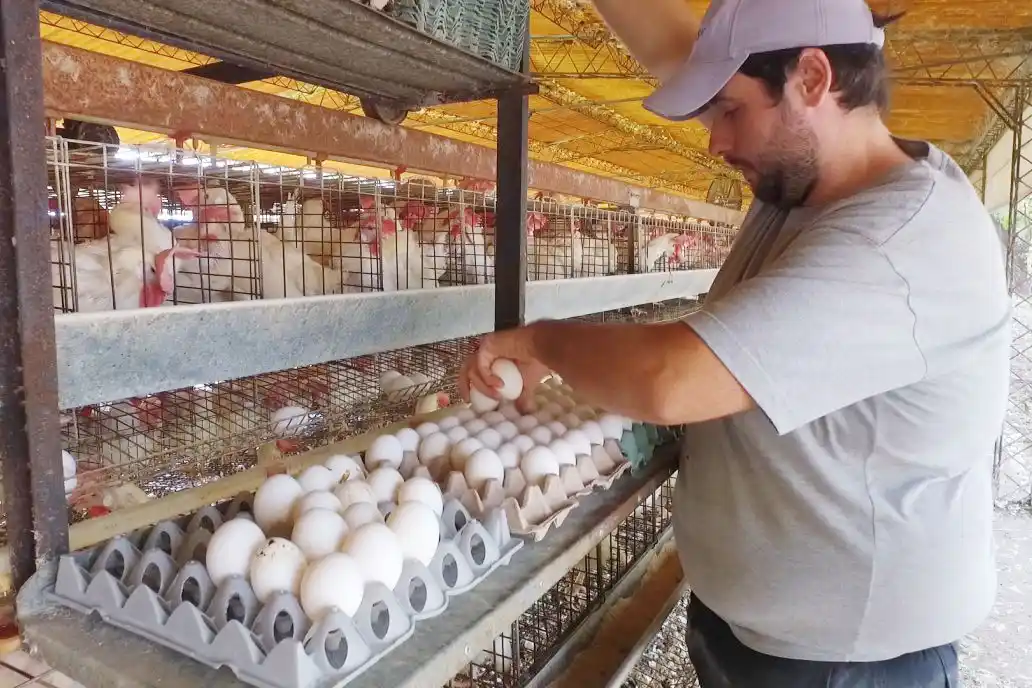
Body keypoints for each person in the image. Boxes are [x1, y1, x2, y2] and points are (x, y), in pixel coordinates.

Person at [459, 0, 1011, 685]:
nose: (713, 142)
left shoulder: (899, 240)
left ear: (813, 79)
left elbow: (670, 380)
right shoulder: (808, 181)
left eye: (728, 110)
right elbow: (678, 54)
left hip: (848, 666)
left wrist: (542, 343)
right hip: (766, 635)